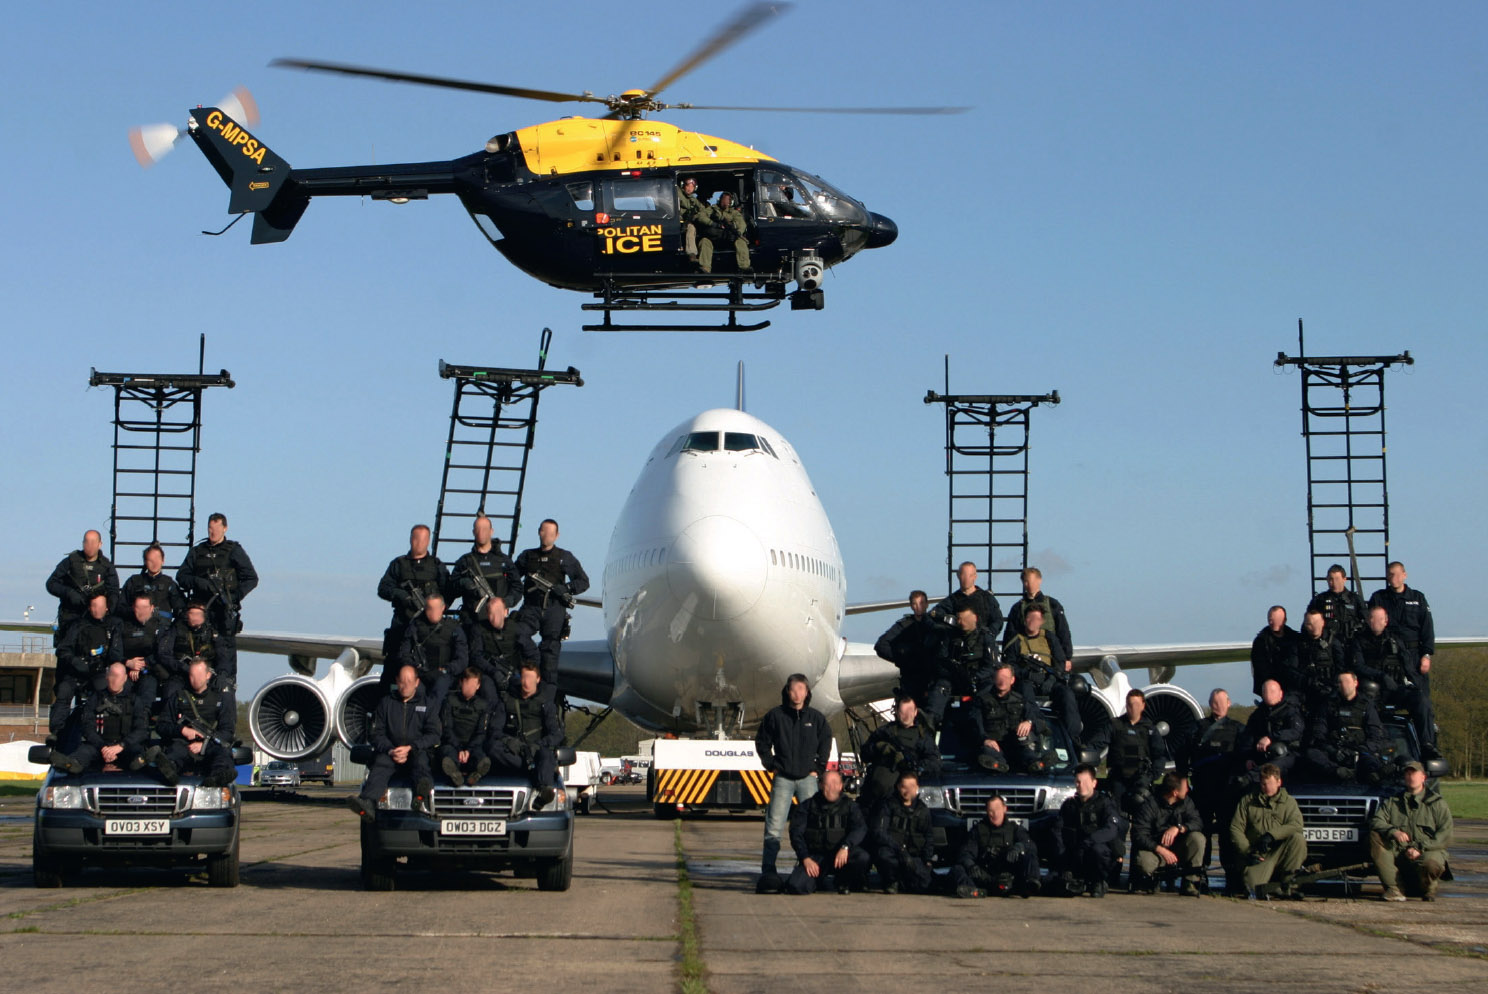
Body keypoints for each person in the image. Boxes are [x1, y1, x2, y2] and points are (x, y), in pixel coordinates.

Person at [754, 674, 832, 891]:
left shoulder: (816, 718)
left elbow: (826, 740)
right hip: (783, 779)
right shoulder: (775, 716)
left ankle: (812, 869)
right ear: (787, 692)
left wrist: (819, 768)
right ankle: (768, 870)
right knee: (774, 827)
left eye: (801, 689)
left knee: (811, 827)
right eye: (793, 689)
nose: (797, 693)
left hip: (808, 779)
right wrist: (771, 765)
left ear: (807, 692)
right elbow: (762, 741)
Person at [347, 663, 440, 820]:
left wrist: (411, 747)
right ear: (397, 681)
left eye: (409, 682)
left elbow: (434, 735)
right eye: (402, 681)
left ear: (417, 682)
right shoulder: (385, 704)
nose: (405, 686)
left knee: (421, 763)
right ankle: (368, 802)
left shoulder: (427, 705)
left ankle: (420, 798)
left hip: (416, 751)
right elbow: (376, 734)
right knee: (380, 764)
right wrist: (391, 750)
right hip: (391, 752)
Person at [515, 519, 589, 689]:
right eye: (544, 531)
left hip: (554, 608)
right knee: (518, 635)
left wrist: (565, 588)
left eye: (550, 533)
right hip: (531, 607)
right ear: (539, 532)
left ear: (557, 536)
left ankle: (547, 695)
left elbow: (583, 582)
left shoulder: (564, 557)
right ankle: (533, 663)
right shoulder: (527, 556)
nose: (546, 536)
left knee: (550, 655)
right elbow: (511, 580)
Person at [1369, 562, 1438, 746]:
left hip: (1414, 656)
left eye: (1397, 574)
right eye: (1390, 575)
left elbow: (1428, 630)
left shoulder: (1418, 598)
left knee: (1422, 703)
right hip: (1386, 656)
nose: (1394, 578)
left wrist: (1426, 655)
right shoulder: (1379, 598)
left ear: (1405, 575)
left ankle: (1428, 745)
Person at [376, 524, 451, 687]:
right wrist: (400, 595)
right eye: (416, 539)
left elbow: (449, 592)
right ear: (411, 540)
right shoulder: (399, 564)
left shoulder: (436, 566)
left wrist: (434, 609)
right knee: (391, 675)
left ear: (428, 541)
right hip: (402, 624)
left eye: (423, 539)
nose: (419, 543)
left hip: (428, 630)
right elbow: (383, 588)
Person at [1352, 604, 1434, 753]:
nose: (1375, 622)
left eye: (1380, 619)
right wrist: (1381, 676)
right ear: (1368, 620)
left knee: (1421, 700)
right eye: (1372, 619)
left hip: (1395, 689)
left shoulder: (1395, 640)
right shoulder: (1358, 641)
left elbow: (1407, 665)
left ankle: (1427, 744)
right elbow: (1358, 667)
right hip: (1371, 693)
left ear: (1386, 621)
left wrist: (1416, 685)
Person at [1369, 760, 1453, 902]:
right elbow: (1376, 821)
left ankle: (1427, 888)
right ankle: (1394, 889)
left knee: (1431, 863)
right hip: (1400, 852)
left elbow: (1445, 836)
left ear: (1423, 777)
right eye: (1407, 774)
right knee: (1375, 836)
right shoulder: (1393, 801)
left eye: (1414, 773)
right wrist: (1393, 831)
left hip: (1427, 851)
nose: (1410, 777)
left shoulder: (1437, 804)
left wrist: (1419, 848)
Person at [1189, 688, 1246, 894]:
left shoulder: (1238, 729)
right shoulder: (1198, 728)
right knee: (1201, 834)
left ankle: (1231, 879)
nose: (1218, 706)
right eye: (1214, 702)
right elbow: (1183, 753)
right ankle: (1199, 876)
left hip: (1227, 791)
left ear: (1229, 704)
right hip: (1203, 789)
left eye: (1222, 702)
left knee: (1227, 836)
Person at [1002, 603, 1081, 744]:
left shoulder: (1049, 638)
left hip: (1049, 680)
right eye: (1030, 618)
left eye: (1036, 619)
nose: (1033, 622)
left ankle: (1072, 739)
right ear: (1025, 620)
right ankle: (1037, 727)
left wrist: (1051, 678)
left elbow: (1060, 662)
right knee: (1025, 693)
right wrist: (1026, 674)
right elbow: (1010, 666)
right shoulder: (1016, 641)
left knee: (1067, 694)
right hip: (1027, 682)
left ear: (1042, 621)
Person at [176, 513, 257, 651]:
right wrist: (198, 582)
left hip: (224, 612)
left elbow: (252, 578)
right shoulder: (197, 551)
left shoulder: (234, 550)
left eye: (216, 529)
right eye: (210, 529)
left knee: (224, 653)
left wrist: (235, 597)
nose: (213, 533)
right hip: (201, 610)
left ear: (225, 528)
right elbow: (181, 577)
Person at [151, 658, 237, 787]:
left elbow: (227, 732)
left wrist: (204, 745)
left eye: (198, 675)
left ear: (208, 675)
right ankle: (169, 774)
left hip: (212, 745)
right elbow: (162, 726)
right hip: (184, 745)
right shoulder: (178, 697)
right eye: (191, 675)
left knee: (223, 753)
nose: (194, 679)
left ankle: (216, 778)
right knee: (174, 752)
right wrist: (182, 730)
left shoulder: (221, 698)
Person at [783, 769, 870, 895]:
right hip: (815, 857)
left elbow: (860, 828)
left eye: (835, 784)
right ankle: (817, 881)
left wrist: (846, 846)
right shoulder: (807, 806)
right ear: (820, 785)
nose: (832, 788)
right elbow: (796, 834)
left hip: (840, 855)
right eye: (828, 784)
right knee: (796, 886)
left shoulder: (850, 806)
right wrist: (805, 858)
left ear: (841, 786)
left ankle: (843, 881)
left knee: (862, 857)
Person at [51, 662, 148, 775]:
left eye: (117, 676)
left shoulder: (135, 701)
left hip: (125, 747)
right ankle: (71, 764)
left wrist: (121, 746)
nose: (114, 680)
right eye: (112, 675)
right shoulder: (94, 699)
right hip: (98, 747)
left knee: (138, 753)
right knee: (83, 752)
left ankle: (142, 762)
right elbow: (87, 728)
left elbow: (141, 730)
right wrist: (103, 747)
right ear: (106, 677)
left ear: (125, 678)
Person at [492, 661, 565, 806]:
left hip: (536, 753)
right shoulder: (507, 701)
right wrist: (508, 741)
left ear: (538, 680)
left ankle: (544, 791)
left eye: (530, 678)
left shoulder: (546, 704)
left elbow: (556, 735)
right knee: (492, 747)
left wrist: (538, 745)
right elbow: (495, 731)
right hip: (514, 754)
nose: (527, 682)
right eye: (524, 678)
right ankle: (531, 770)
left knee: (547, 755)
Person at [50, 593, 121, 740]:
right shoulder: (78, 625)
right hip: (77, 670)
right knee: (64, 691)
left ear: (107, 607)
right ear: (89, 607)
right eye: (94, 606)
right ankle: (57, 733)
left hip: (100, 671)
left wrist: (103, 666)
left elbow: (116, 653)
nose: (97, 609)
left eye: (100, 606)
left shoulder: (113, 626)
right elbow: (63, 650)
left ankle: (102, 733)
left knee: (103, 693)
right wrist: (77, 663)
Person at [1229, 763, 1307, 896]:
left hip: (1279, 851)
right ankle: (1271, 887)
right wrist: (1248, 852)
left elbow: (1296, 824)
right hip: (1258, 854)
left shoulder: (1288, 802)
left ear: (1279, 782)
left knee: (1298, 839)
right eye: (1263, 784)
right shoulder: (1248, 801)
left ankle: (1290, 884)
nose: (1267, 788)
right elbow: (1236, 828)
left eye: (1270, 783)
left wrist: (1272, 835)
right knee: (1253, 886)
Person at [1092, 688, 1167, 817]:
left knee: (1143, 817)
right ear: (1126, 705)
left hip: (1141, 780)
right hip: (1118, 779)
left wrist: (1151, 777)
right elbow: (1096, 745)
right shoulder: (1115, 725)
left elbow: (1160, 755)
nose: (1133, 708)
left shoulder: (1150, 729)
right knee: (1116, 817)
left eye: (1137, 704)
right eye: (1130, 704)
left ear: (1143, 705)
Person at [857, 694, 940, 810]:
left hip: (907, 800)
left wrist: (913, 765)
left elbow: (934, 763)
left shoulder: (923, 738)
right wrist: (878, 748)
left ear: (916, 712)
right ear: (896, 712)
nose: (907, 715)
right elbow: (864, 754)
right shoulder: (884, 732)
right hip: (878, 798)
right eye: (903, 711)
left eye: (910, 710)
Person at [951, 793, 1040, 899]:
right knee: (957, 869)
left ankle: (1029, 886)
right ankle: (972, 890)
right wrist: (971, 865)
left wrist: (1018, 848)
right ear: (987, 812)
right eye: (991, 811)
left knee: (1030, 855)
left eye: (998, 809)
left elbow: (1030, 845)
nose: (995, 814)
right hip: (986, 875)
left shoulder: (1014, 829)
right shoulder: (978, 830)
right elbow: (965, 853)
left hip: (1009, 876)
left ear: (1004, 809)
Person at [1303, 670, 1385, 782]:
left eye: (1347, 682)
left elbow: (1375, 737)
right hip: (1335, 754)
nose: (1343, 685)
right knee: (1312, 755)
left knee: (1372, 763)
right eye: (1340, 682)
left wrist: (1358, 751)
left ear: (1356, 682)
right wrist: (1333, 751)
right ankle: (1339, 772)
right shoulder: (1328, 705)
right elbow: (1319, 734)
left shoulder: (1367, 706)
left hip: (1360, 753)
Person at [1130, 773, 1206, 895]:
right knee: (1143, 862)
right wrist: (1160, 849)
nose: (1188, 789)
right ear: (1175, 792)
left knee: (1198, 838)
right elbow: (1138, 834)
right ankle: (1151, 880)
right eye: (1186, 787)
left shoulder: (1186, 802)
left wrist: (1179, 828)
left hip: (1177, 848)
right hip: (1156, 850)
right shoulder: (1149, 805)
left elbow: (1197, 822)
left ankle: (1190, 882)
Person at [925, 605, 997, 730]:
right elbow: (942, 659)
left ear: (974, 618)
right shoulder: (950, 636)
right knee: (941, 686)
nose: (960, 622)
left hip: (979, 679)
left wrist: (975, 677)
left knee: (988, 690)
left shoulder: (986, 637)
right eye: (958, 619)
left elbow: (992, 665)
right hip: (956, 679)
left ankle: (980, 722)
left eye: (964, 619)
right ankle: (931, 719)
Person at [969, 664, 1049, 774]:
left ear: (1012, 680)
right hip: (994, 746)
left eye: (1006, 678)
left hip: (1016, 746)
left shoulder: (1020, 700)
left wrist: (1029, 722)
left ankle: (1037, 764)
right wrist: (984, 739)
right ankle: (998, 766)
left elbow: (1039, 718)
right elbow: (974, 723)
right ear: (994, 679)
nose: (1002, 681)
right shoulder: (982, 701)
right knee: (989, 753)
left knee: (1027, 754)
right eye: (999, 678)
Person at [1056, 764, 1121, 898]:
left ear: (1094, 783)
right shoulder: (1069, 805)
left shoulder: (1105, 804)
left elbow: (1111, 829)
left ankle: (1098, 881)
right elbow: (1058, 830)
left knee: (1098, 850)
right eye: (1078, 782)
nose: (1081, 785)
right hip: (1075, 854)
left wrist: (1088, 842)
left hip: (1095, 854)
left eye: (1085, 782)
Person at [46, 529, 119, 646]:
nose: (90, 545)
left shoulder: (107, 567)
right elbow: (51, 584)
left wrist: (105, 609)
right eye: (87, 542)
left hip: (95, 621)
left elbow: (114, 593)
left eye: (93, 542)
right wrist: (68, 593)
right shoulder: (70, 561)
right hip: (70, 617)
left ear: (100, 544)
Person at [869, 770, 936, 894]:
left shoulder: (923, 810)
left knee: (925, 884)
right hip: (893, 853)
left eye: (912, 787)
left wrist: (927, 859)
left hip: (913, 856)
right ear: (898, 787)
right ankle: (891, 882)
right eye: (904, 787)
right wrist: (899, 849)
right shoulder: (888, 806)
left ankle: (907, 883)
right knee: (884, 855)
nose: (908, 791)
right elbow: (879, 832)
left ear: (917, 788)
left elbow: (929, 836)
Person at [399, 593, 468, 706]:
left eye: (436, 608)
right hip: (420, 674)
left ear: (443, 608)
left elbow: (462, 659)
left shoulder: (454, 628)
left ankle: (431, 720)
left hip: (444, 674)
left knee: (438, 691)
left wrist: (447, 669)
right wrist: (414, 669)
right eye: (430, 608)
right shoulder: (415, 626)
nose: (433, 612)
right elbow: (404, 653)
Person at [465, 597, 539, 701]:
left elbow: (533, 655)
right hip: (489, 673)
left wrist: (526, 673)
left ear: (506, 612)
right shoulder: (478, 630)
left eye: (498, 612)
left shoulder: (516, 629)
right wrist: (494, 671)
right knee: (488, 689)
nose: (495, 617)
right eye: (492, 613)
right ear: (487, 613)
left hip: (513, 672)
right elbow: (476, 656)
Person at [873, 590, 939, 705]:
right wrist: (902, 658)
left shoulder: (935, 625)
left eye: (922, 603)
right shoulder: (903, 626)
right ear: (911, 606)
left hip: (932, 680)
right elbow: (881, 645)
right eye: (915, 604)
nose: (918, 607)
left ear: (927, 604)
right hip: (911, 680)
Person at [448, 514, 521, 618]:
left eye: (485, 529)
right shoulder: (465, 561)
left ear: (491, 531)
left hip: (495, 618)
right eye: (478, 529)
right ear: (473, 532)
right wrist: (463, 583)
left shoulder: (504, 561)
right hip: (471, 619)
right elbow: (451, 588)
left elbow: (517, 587)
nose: (481, 532)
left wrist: (505, 603)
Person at [157, 602, 229, 700]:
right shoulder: (177, 629)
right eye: (192, 614)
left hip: (207, 675)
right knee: (171, 691)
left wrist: (222, 674)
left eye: (198, 614)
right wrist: (182, 667)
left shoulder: (213, 633)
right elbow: (164, 653)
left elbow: (223, 657)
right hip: (181, 674)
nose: (195, 617)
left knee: (226, 692)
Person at [1002, 566, 1072, 661]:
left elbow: (1063, 631)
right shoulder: (1017, 608)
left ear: (1040, 580)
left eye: (1033, 581)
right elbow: (1010, 635)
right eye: (1026, 581)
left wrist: (1067, 657)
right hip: (1024, 657)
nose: (1030, 585)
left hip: (1051, 655)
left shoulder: (1053, 604)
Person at [1238, 679, 1305, 777]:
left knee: (1273, 767)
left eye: (1272, 691)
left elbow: (1295, 732)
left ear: (1280, 693)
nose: (1269, 694)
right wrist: (1248, 758)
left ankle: (1251, 777)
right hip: (1263, 755)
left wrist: (1270, 738)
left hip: (1288, 753)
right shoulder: (1257, 715)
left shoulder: (1290, 711)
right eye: (1265, 691)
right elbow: (1248, 738)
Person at [439, 667, 494, 787]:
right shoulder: (449, 701)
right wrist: (459, 749)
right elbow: (447, 729)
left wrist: (468, 750)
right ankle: (455, 775)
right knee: (447, 754)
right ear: (461, 682)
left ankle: (475, 775)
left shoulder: (483, 705)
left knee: (481, 758)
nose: (469, 687)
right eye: (467, 683)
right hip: (453, 745)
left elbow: (481, 733)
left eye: (473, 684)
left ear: (478, 686)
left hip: (472, 746)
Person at [116, 593, 167, 706]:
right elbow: (115, 652)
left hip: (150, 671)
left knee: (146, 695)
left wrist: (141, 664)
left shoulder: (160, 627)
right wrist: (128, 662)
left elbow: (162, 653)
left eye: (145, 608)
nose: (142, 611)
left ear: (152, 608)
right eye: (139, 607)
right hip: (125, 670)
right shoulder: (123, 626)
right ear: (133, 607)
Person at [118, 543, 186, 623]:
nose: (155, 563)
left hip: (162, 630)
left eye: (157, 559)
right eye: (151, 560)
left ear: (163, 561)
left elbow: (181, 609)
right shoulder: (134, 581)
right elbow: (121, 607)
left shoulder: (169, 583)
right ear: (145, 561)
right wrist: (138, 611)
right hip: (136, 627)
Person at [1295, 608, 1345, 712]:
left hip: (1329, 688)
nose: (1314, 627)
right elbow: (1292, 670)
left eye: (1317, 622)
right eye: (1310, 624)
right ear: (1305, 625)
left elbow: (1341, 667)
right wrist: (1308, 681)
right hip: (1306, 689)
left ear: (1323, 622)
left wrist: (1333, 685)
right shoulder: (1298, 644)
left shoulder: (1333, 642)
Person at [931, 561, 1002, 633]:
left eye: (970, 575)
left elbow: (997, 620)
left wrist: (989, 634)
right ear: (958, 575)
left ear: (975, 576)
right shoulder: (951, 600)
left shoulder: (987, 598)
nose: (966, 579)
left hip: (982, 642)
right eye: (963, 575)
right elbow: (934, 615)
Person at [1307, 564, 1367, 643]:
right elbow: (1308, 622)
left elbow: (1366, 621)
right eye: (1331, 579)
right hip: (1327, 644)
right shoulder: (1319, 600)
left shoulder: (1355, 599)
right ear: (1327, 579)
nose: (1334, 582)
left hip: (1350, 643)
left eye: (1337, 579)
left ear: (1344, 579)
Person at [1250, 606, 1298, 698]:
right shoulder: (1261, 642)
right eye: (1270, 620)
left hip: (1293, 689)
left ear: (1284, 620)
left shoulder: (1295, 639)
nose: (1272, 622)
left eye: (1276, 619)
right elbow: (1260, 670)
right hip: (1270, 690)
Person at [698, 191, 750, 274]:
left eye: (728, 200)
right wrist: (713, 224)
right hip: (714, 238)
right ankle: (705, 269)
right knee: (704, 241)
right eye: (723, 199)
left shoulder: (734, 213)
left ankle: (744, 267)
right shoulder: (712, 209)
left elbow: (742, 224)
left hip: (729, 239)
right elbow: (701, 217)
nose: (725, 202)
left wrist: (737, 231)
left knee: (741, 242)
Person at [677, 176, 710, 265]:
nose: (689, 189)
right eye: (688, 186)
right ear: (683, 185)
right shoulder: (677, 192)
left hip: (689, 220)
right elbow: (685, 203)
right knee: (691, 228)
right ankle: (691, 253)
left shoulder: (693, 199)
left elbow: (703, 209)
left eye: (692, 187)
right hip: (680, 221)